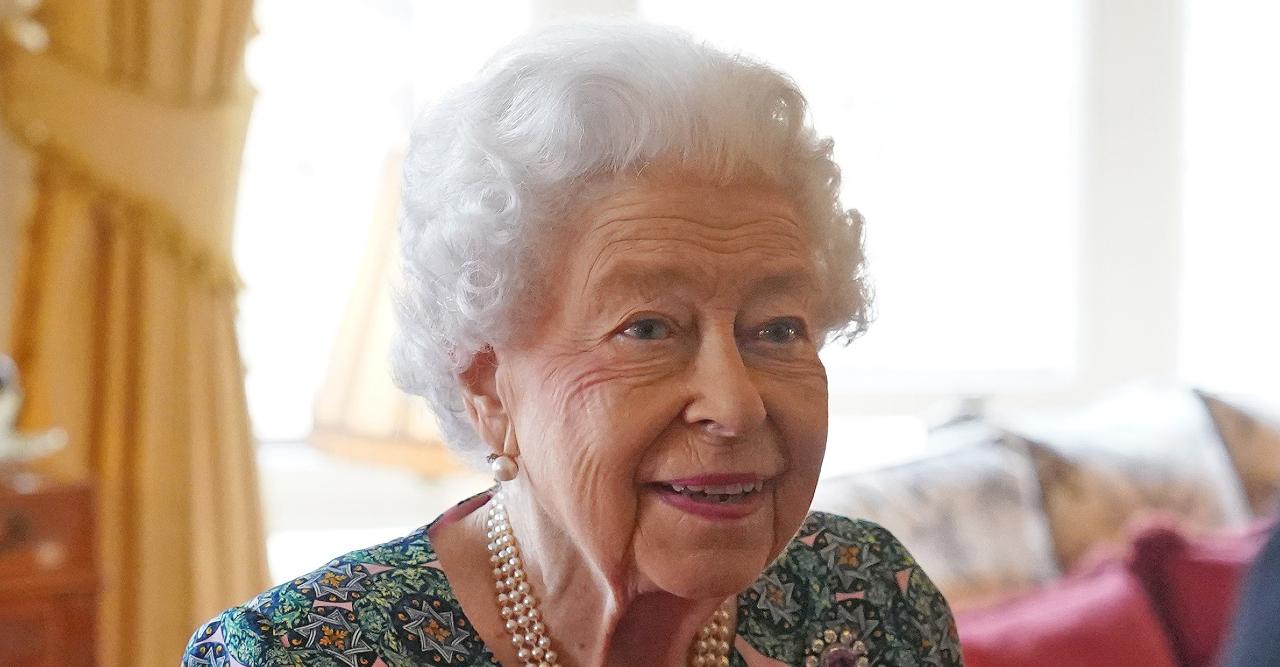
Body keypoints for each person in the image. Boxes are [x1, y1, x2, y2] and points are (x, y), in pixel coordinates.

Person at [184, 22, 963, 667]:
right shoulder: (299, 654)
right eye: (648, 328)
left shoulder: (872, 605)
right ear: (490, 389)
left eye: (778, 329)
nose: (734, 403)